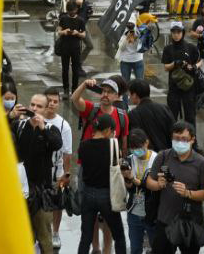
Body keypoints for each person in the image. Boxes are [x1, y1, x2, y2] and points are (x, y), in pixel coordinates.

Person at [9, 92, 63, 254]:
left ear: (46, 109)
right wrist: (10, 116)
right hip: (21, 190)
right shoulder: (19, 126)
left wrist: (42, 127)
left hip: (41, 193)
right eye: (32, 105)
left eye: (39, 106)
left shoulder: (50, 128)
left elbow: (56, 144)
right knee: (22, 235)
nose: (34, 109)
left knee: (44, 236)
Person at [145, 121, 204, 254]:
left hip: (190, 223)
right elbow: (149, 182)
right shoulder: (163, 156)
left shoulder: (202, 163)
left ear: (192, 140)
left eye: (184, 139)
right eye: (176, 139)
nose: (180, 142)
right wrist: (158, 185)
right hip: (165, 219)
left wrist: (188, 193)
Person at [75, 113, 131, 254]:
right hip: (107, 195)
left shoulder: (83, 145)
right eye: (113, 131)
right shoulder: (113, 145)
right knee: (118, 235)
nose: (113, 134)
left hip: (88, 194)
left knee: (86, 237)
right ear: (107, 130)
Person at [45, 88, 76, 247]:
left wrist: (66, 174)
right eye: (49, 101)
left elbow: (67, 152)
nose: (52, 104)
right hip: (38, 171)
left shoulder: (64, 125)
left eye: (55, 101)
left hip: (58, 172)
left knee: (57, 203)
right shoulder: (35, 118)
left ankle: (55, 232)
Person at [74, 78, 131, 147]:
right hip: (88, 153)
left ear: (116, 96)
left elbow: (124, 144)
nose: (105, 94)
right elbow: (75, 99)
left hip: (109, 153)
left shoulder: (122, 116)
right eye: (104, 91)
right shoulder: (91, 108)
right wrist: (84, 85)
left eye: (109, 92)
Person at [162, 23, 200, 125]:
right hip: (174, 86)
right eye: (173, 32)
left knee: (190, 116)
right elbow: (166, 67)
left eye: (178, 32)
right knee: (172, 116)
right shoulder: (168, 49)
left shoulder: (191, 47)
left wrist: (194, 67)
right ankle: (172, 134)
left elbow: (200, 61)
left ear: (182, 33)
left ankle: (192, 135)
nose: (176, 35)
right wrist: (175, 63)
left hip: (189, 86)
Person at [124, 130, 156, 254]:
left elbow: (156, 186)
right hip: (134, 209)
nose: (136, 151)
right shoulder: (129, 160)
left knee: (156, 247)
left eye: (138, 147)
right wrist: (126, 180)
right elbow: (129, 187)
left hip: (152, 211)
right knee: (135, 248)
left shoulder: (157, 159)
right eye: (133, 148)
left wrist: (133, 179)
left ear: (146, 143)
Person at [127, 79, 175, 152]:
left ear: (135, 95)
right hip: (167, 153)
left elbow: (135, 139)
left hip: (147, 155)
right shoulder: (164, 108)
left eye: (130, 94)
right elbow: (173, 131)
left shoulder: (133, 114)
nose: (129, 96)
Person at [59, 1, 87, 92]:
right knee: (65, 68)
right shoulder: (63, 18)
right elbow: (59, 31)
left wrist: (77, 33)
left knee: (75, 69)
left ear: (76, 10)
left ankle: (75, 88)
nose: (71, 13)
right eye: (69, 11)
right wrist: (64, 32)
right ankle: (66, 87)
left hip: (76, 47)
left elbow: (84, 34)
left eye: (73, 11)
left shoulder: (80, 20)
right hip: (65, 47)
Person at [117, 25, 146, 108]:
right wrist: (126, 38)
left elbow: (142, 47)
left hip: (138, 61)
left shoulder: (139, 32)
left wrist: (137, 38)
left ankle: (142, 106)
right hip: (125, 61)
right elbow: (121, 48)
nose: (131, 30)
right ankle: (125, 107)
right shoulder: (123, 32)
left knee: (141, 85)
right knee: (125, 85)